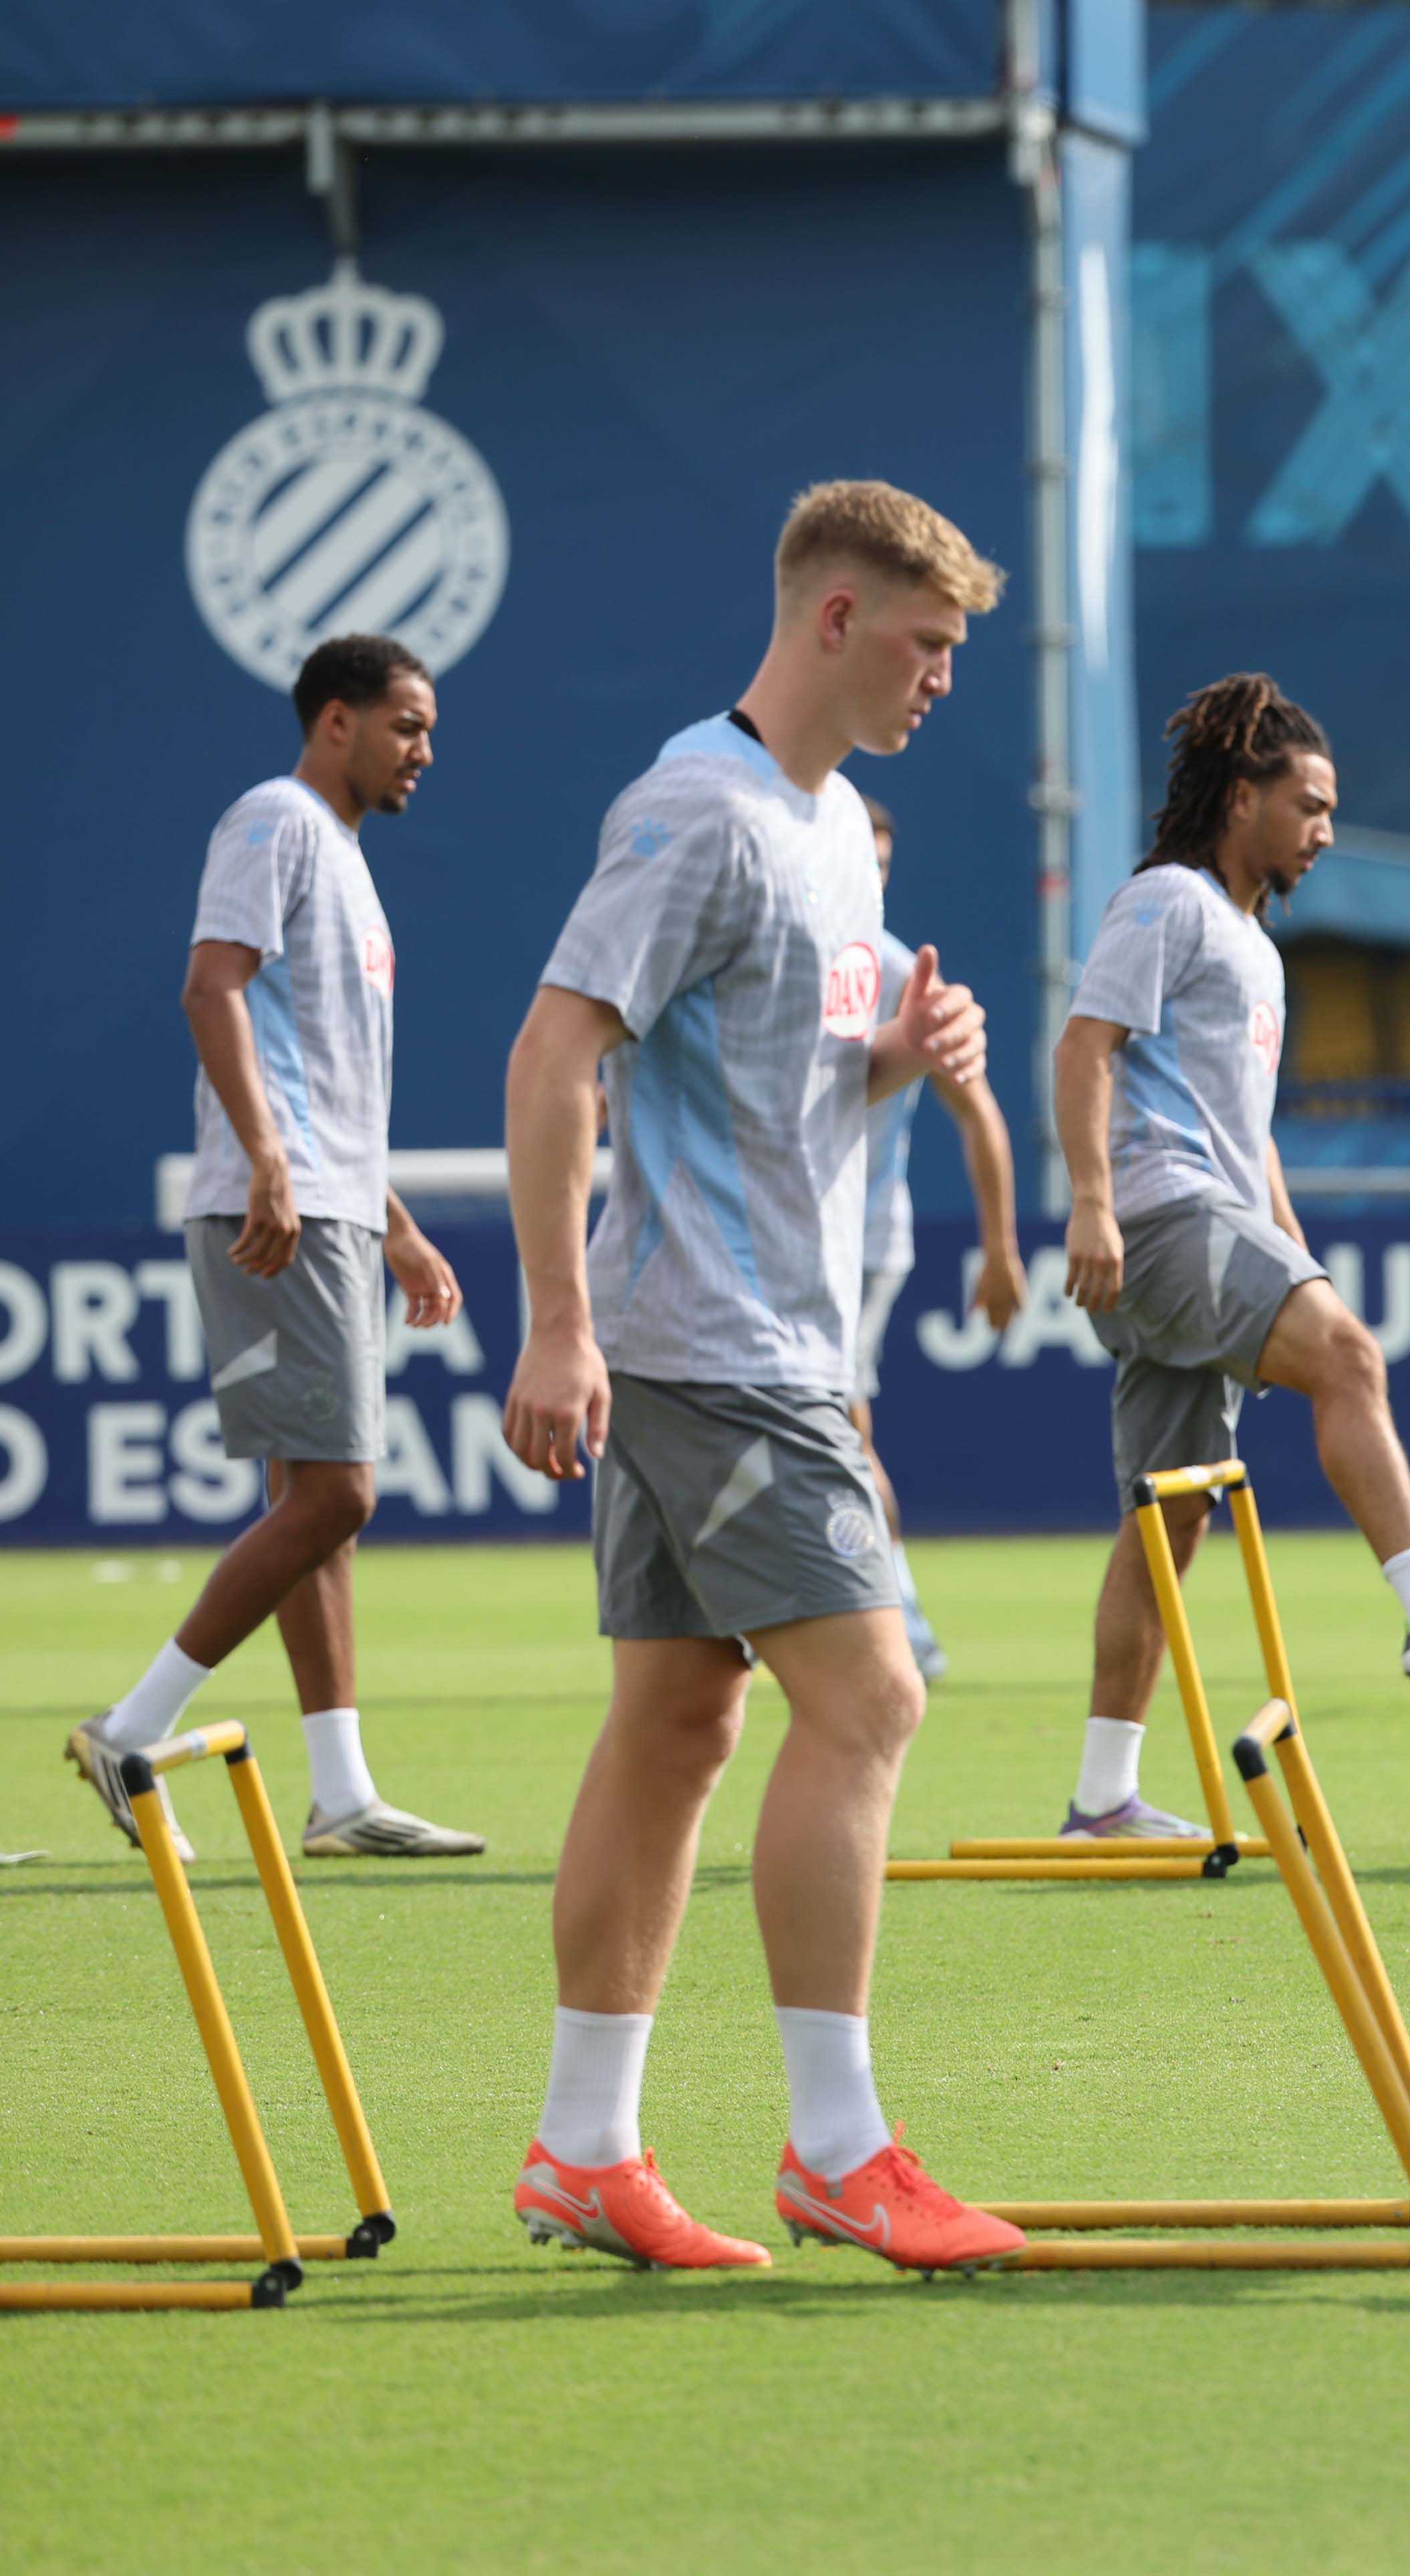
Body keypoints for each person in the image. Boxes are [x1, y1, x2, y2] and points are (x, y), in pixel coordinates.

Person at [502, 480, 1020, 2274]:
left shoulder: (831, 833)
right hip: (720, 1353)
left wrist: (899, 1057)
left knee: (677, 1723)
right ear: (834, 618)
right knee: (870, 1699)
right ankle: (839, 2149)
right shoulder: (699, 810)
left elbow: (778, 1088)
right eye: (927, 644)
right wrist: (555, 1322)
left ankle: (583, 2151)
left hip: (750, 1344)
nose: (942, 678)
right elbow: (556, 1051)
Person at [1046, 676, 1410, 1841]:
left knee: (1169, 1525)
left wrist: (1288, 1244)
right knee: (1348, 1356)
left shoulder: (1255, 945)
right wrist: (1091, 1204)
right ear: (1243, 798)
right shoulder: (1168, 901)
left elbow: (1252, 1132)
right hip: (1162, 1215)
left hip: (1209, 1216)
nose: (1327, 831)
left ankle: (1099, 1798)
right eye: (1311, 805)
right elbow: (1084, 1046)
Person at [66, 637, 480, 1862]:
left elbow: (328, 1082)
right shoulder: (275, 820)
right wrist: (266, 1159)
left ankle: (342, 1794)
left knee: (317, 1506)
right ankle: (129, 1729)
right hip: (279, 1211)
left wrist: (395, 1226)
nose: (425, 751)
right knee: (339, 1493)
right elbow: (212, 986)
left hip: (329, 1206)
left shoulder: (344, 858)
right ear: (336, 720)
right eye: (407, 725)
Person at [847, 795, 1027, 1681]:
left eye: (884, 868)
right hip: (759, 1241)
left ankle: (900, 1620)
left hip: (856, 1246)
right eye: (861, 863)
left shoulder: (895, 975)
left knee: (835, 1430)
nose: (872, 883)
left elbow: (978, 1114)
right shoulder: (772, 952)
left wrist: (1000, 1250)